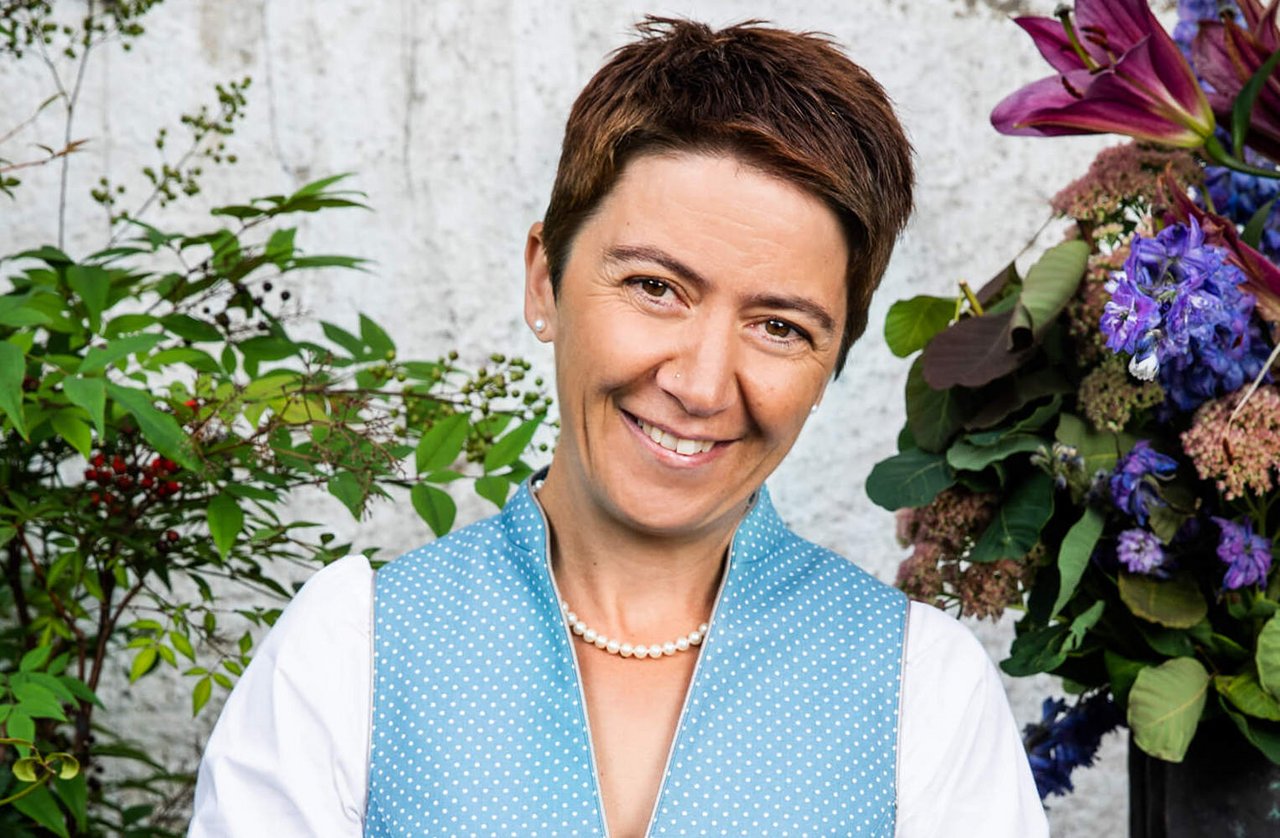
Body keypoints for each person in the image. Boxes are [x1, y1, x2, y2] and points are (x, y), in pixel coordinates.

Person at [190, 17, 1047, 837]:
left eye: (780, 327)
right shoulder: (352, 651)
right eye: (654, 287)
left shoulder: (923, 692)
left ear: (832, 363)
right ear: (544, 281)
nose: (700, 385)